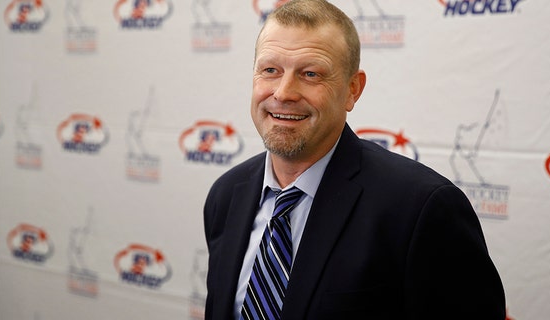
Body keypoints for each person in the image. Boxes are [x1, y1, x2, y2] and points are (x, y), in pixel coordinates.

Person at [203, 0, 506, 319]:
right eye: (270, 70)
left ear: (352, 90)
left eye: (310, 73)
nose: (284, 92)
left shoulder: (421, 208)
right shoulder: (225, 195)